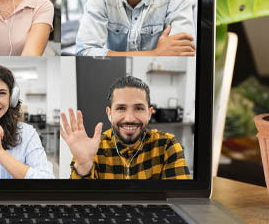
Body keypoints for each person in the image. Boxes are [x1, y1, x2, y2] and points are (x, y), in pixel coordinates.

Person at [61, 76, 190, 179]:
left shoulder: (167, 145)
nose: (129, 118)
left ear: (149, 113)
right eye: (121, 108)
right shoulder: (91, 150)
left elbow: (179, 200)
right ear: (109, 113)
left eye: (139, 108)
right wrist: (83, 166)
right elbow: (82, 205)